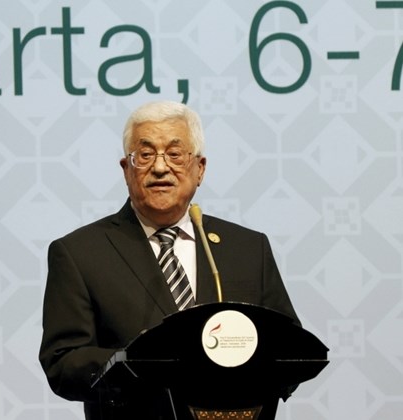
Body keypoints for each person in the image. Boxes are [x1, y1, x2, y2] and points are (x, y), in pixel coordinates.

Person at [39, 101, 300, 420]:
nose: (160, 168)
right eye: (145, 155)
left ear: (200, 168)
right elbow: (63, 363)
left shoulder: (247, 248)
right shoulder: (81, 253)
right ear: (126, 169)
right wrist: (135, 364)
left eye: (175, 154)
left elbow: (291, 350)